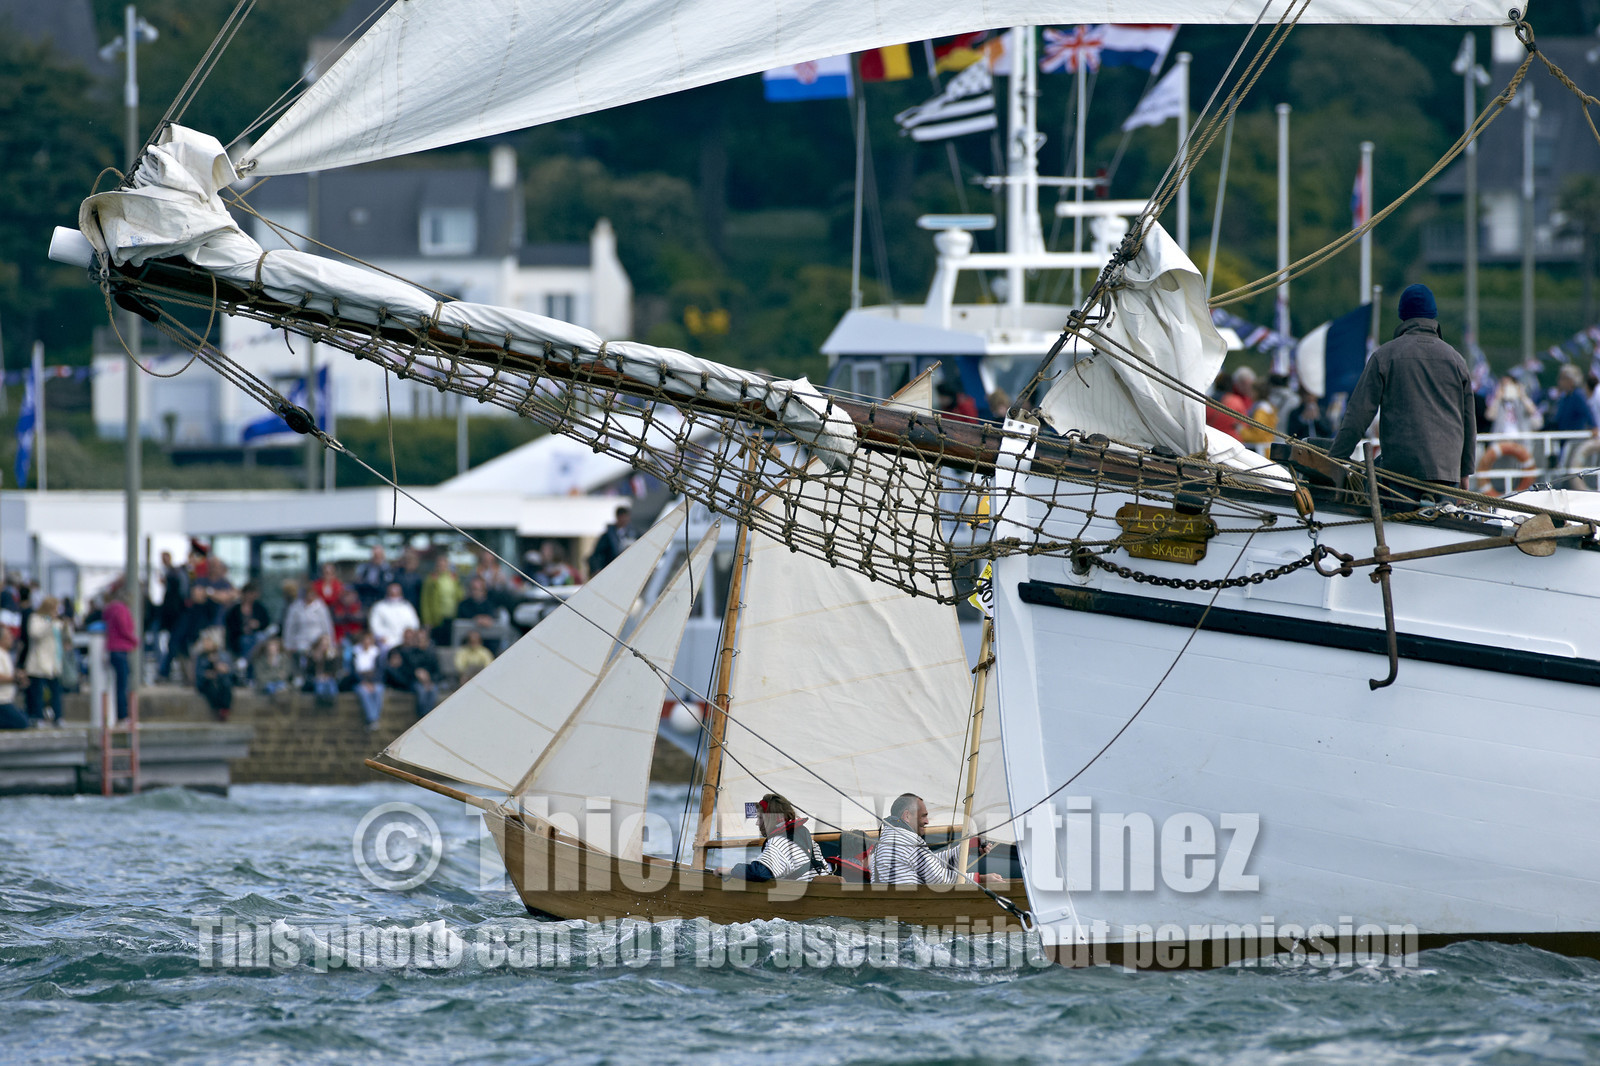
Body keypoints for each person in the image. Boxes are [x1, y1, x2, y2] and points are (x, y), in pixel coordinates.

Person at [1328, 284, 1476, 492]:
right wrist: (1464, 472)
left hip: (1399, 473)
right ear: (1433, 315)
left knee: (1363, 486)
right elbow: (1468, 420)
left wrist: (1335, 459)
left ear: (1402, 315)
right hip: (1447, 472)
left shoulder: (1384, 356)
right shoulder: (1457, 360)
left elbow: (1358, 415)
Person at [869, 793, 1003, 886]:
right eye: (923, 816)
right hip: (909, 910)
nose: (927, 821)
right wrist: (981, 879)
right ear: (907, 816)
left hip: (894, 911)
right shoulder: (906, 842)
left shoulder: (889, 839)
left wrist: (966, 848)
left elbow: (930, 863)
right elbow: (939, 879)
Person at [720, 793, 828, 882]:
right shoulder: (807, 838)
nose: (757, 823)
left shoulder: (779, 842)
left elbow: (760, 873)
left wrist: (729, 871)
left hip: (803, 902)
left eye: (760, 818)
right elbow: (825, 870)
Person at [23, 597, 65, 725]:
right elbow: (35, 633)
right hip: (39, 661)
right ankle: (37, 716)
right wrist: (49, 622)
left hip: (54, 662)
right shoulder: (35, 619)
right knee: (37, 692)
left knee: (56, 691)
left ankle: (58, 717)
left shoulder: (57, 622)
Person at [103, 590, 138, 722]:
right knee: (123, 684)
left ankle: (118, 714)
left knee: (118, 684)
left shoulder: (109, 610)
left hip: (112, 649)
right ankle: (123, 715)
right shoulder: (122, 610)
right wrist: (134, 640)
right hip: (121, 649)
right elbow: (124, 628)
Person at [282, 584, 335, 668]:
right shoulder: (295, 608)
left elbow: (327, 626)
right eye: (308, 594)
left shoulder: (321, 607)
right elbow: (290, 627)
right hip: (301, 641)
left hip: (318, 641)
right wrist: (288, 645)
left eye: (312, 594)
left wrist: (331, 643)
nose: (310, 596)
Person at [223, 582, 271, 662]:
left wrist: (258, 624)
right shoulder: (235, 610)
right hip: (240, 638)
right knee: (245, 641)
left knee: (260, 638)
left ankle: (246, 662)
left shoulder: (259, 608)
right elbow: (230, 626)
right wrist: (242, 629)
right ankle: (246, 662)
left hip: (256, 635)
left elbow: (266, 622)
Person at [421, 555, 463, 644]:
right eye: (439, 565)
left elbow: (460, 595)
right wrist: (427, 620)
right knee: (438, 642)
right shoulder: (431, 579)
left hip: (452, 616)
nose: (442, 567)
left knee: (450, 642)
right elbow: (425, 601)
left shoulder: (453, 578)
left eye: (444, 565)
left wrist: (457, 582)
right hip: (437, 618)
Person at [369, 583, 422, 653]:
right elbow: (375, 626)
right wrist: (381, 637)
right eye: (391, 592)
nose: (394, 594)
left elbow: (414, 624)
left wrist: (409, 635)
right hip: (387, 641)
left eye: (396, 591)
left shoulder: (407, 607)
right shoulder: (379, 607)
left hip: (404, 640)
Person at [193, 636, 234, 721]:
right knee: (211, 688)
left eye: (209, 642)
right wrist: (206, 674)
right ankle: (218, 709)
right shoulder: (201, 656)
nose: (206, 644)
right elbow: (198, 673)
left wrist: (223, 669)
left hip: (221, 679)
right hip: (206, 682)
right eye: (205, 642)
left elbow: (230, 670)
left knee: (226, 687)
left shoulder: (223, 655)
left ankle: (224, 710)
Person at [586, 504, 635, 576]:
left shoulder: (633, 533)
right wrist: (597, 569)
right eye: (623, 517)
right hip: (611, 570)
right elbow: (598, 554)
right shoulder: (608, 536)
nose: (625, 519)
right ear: (618, 517)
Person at [0, 628, 26, 729]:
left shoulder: (5, 653)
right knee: (21, 723)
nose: (12, 638)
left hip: (7, 700)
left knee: (23, 717)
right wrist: (15, 679)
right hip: (2, 701)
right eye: (8, 637)